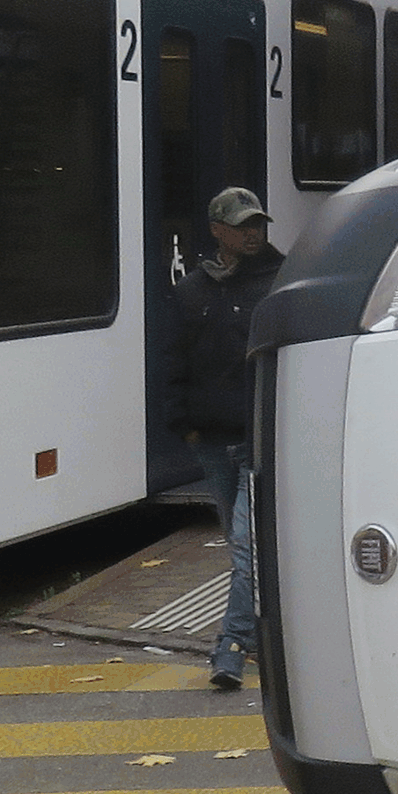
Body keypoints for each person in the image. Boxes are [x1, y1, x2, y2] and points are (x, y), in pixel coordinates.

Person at [167, 185, 284, 688]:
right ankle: (265, 630)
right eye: (240, 225)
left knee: (245, 546)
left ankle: (231, 647)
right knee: (243, 544)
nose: (251, 233)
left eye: (256, 223)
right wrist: (183, 424)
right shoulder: (192, 290)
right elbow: (173, 359)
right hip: (211, 440)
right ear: (217, 230)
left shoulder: (281, 281)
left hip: (258, 438)